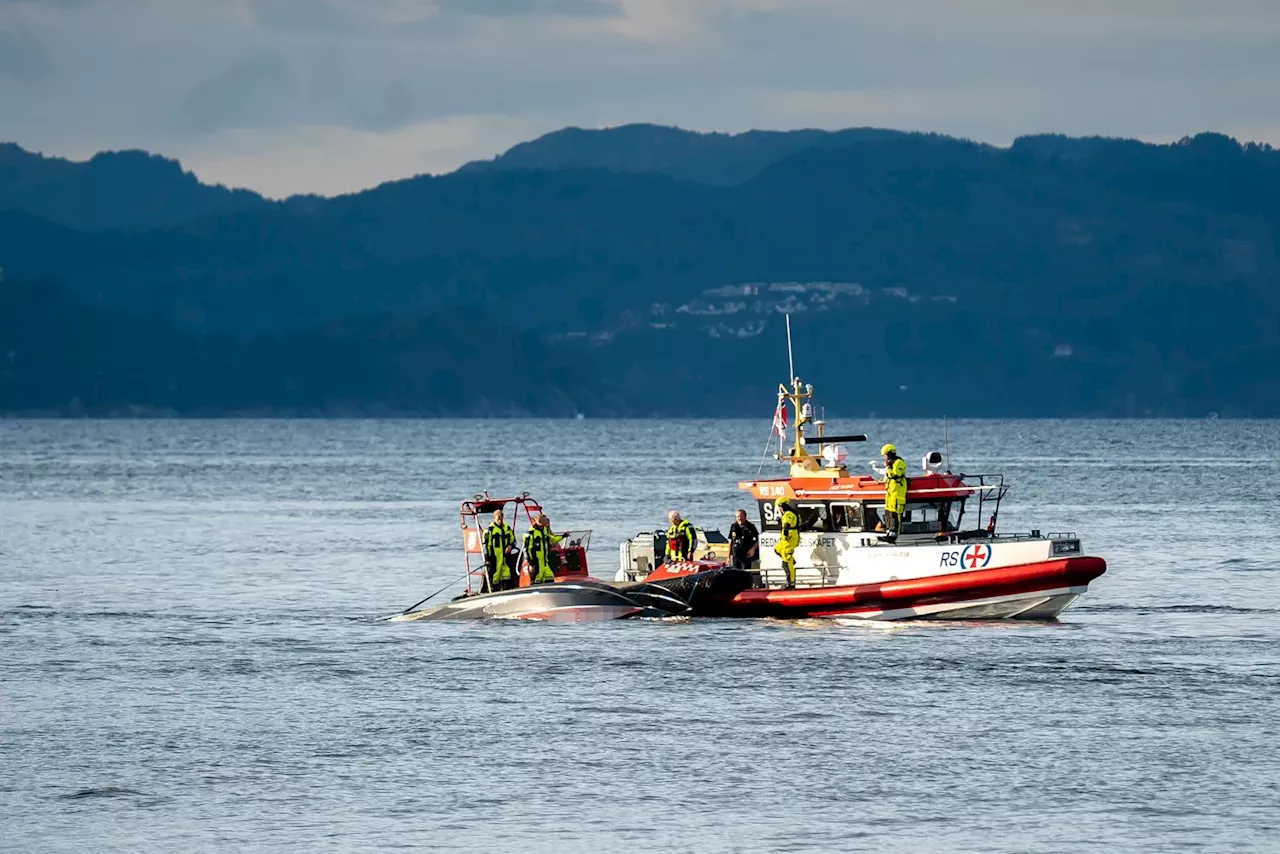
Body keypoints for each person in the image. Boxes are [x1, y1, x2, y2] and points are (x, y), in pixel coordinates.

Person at [482, 509, 518, 591]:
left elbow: (514, 541)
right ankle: (492, 591)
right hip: (494, 558)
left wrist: (510, 546)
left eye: (501, 518)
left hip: (505, 558)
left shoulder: (507, 528)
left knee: (507, 576)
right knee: (494, 578)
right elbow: (484, 546)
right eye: (498, 518)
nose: (500, 520)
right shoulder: (489, 530)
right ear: (494, 518)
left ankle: (507, 591)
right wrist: (488, 559)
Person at [523, 514, 564, 585]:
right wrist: (531, 563)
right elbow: (527, 549)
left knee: (550, 577)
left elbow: (552, 539)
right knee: (536, 580)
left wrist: (563, 536)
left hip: (545, 562)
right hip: (536, 563)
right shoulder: (530, 534)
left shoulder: (544, 531)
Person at [880, 443, 908, 543]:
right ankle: (888, 532)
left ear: (889, 453)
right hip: (890, 493)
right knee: (888, 513)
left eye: (885, 455)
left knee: (896, 514)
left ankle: (894, 534)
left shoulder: (898, 462)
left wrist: (887, 467)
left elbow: (894, 475)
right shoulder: (891, 463)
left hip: (897, 492)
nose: (884, 457)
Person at [773, 497, 799, 588]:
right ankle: (790, 560)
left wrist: (785, 534)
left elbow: (787, 525)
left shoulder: (788, 514)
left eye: (780, 507)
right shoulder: (787, 514)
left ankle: (791, 583)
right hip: (786, 539)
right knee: (777, 549)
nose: (779, 509)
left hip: (789, 539)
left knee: (787, 562)